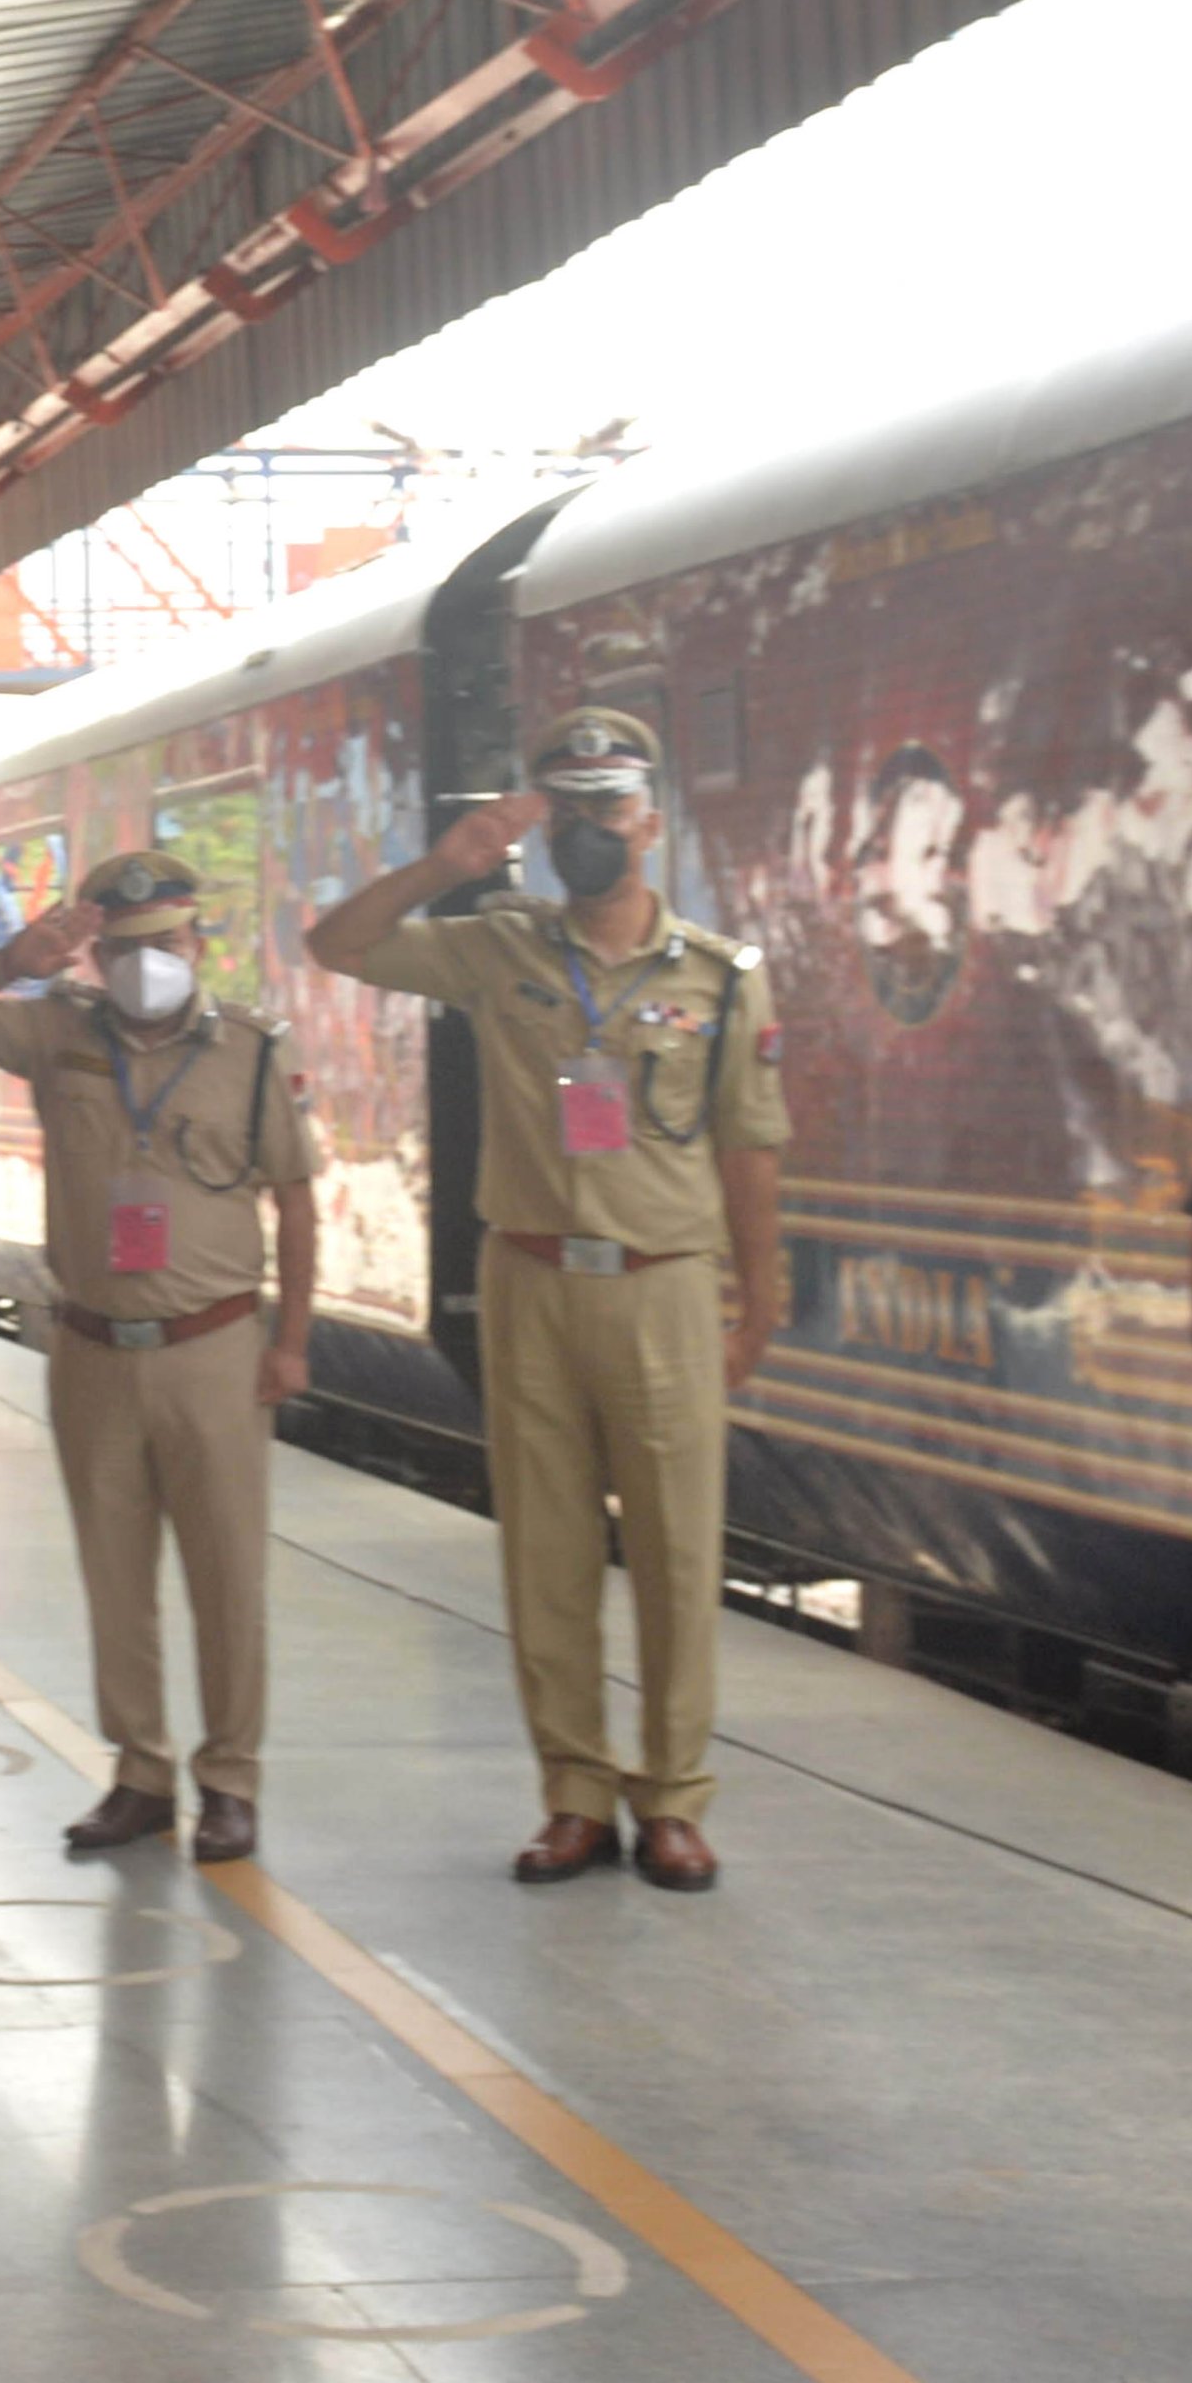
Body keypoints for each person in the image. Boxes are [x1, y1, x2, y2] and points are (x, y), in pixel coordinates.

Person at [304, 706, 786, 1893]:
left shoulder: (721, 977)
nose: (589, 829)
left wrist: (756, 1305)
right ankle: (574, 1795)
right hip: (527, 1280)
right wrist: (446, 865)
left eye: (607, 807)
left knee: (678, 1553)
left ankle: (672, 1799)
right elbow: (336, 943)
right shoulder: (498, 943)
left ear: (650, 819)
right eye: (567, 809)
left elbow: (749, 1148)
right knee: (547, 1555)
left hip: (662, 1287)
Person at [0, 851, 321, 1865]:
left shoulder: (253, 1051)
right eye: (123, 948)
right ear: (96, 955)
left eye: (164, 943)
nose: (146, 963)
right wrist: (16, 956)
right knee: (114, 1574)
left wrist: (294, 1337)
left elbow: (296, 1198)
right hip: (91, 1346)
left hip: (212, 1346)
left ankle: (229, 1779)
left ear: (198, 943)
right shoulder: (56, 1032)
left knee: (225, 1575)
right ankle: (140, 1773)